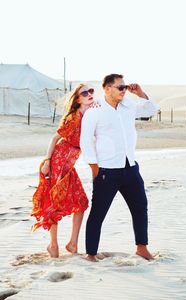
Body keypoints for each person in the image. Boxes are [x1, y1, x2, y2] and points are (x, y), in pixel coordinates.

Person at [80, 74, 157, 262]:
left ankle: (142, 248)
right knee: (98, 212)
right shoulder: (95, 111)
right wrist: (94, 168)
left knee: (140, 207)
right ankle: (91, 253)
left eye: (124, 87)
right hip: (107, 170)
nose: (124, 90)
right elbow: (85, 142)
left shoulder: (129, 105)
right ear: (107, 88)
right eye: (119, 87)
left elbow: (150, 110)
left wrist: (139, 93)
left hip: (130, 167)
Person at [31, 84, 95, 258]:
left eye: (91, 91)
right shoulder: (73, 118)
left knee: (81, 202)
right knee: (54, 203)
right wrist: (47, 161)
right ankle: (53, 245)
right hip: (59, 162)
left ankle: (72, 243)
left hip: (69, 164)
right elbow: (54, 139)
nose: (89, 94)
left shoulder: (90, 114)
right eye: (84, 93)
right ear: (77, 99)